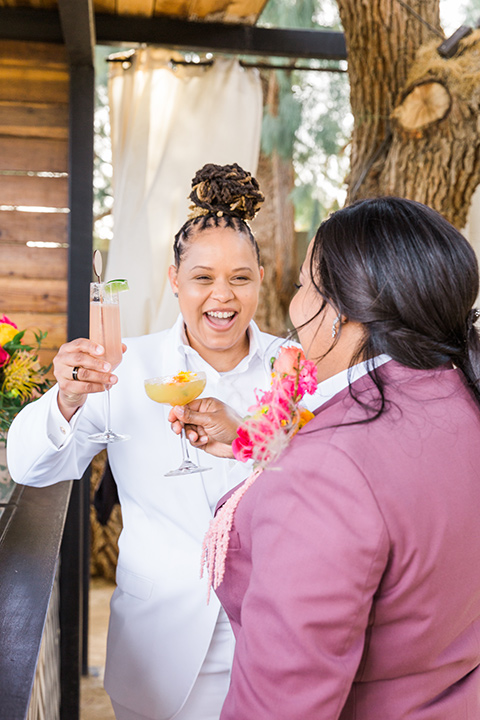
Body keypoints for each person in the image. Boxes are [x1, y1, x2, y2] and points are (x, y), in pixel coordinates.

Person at [7, 163, 314, 720]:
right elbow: (30, 467)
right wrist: (66, 399)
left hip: (273, 640)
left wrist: (251, 438)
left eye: (240, 278)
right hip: (157, 649)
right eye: (202, 277)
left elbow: (325, 486)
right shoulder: (127, 366)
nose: (222, 297)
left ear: (262, 279)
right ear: (174, 279)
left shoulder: (293, 369)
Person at [171, 196, 480, 719]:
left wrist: (298, 465)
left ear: (337, 313)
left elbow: (281, 704)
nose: (292, 306)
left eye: (300, 287)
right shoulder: (460, 397)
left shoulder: (326, 469)